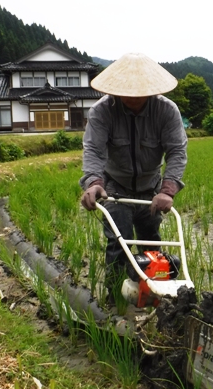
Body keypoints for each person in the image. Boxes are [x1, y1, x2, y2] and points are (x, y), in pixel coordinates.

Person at [79, 53, 188, 299]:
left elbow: (177, 151)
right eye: (127, 91)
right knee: (119, 244)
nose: (133, 97)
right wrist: (94, 183)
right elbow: (94, 150)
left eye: (140, 92)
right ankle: (115, 302)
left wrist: (167, 190)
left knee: (152, 246)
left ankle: (153, 296)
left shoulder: (167, 111)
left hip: (151, 189)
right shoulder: (102, 111)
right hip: (115, 188)